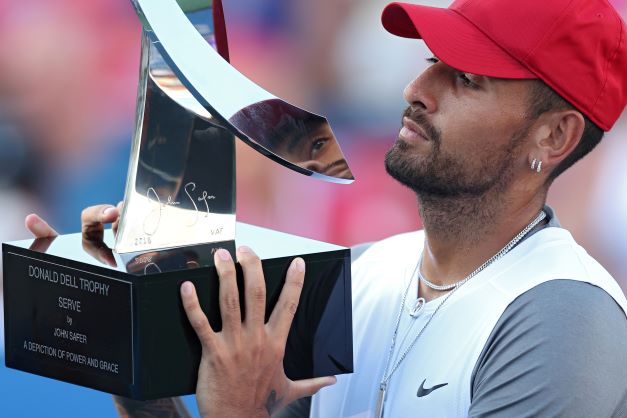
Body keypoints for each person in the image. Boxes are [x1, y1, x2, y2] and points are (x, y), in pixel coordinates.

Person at [26, 0, 627, 416]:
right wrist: (129, 354)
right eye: (430, 64)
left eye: (467, 79)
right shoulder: (366, 273)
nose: (418, 92)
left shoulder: (564, 316)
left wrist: (237, 411)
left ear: (555, 136)